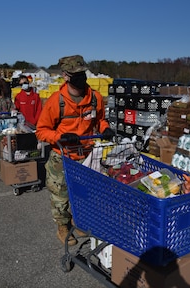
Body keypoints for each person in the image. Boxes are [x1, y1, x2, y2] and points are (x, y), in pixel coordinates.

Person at [35, 55, 114, 246]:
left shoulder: (94, 98)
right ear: (65, 76)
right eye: (75, 74)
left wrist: (105, 129)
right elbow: (41, 131)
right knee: (60, 196)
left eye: (82, 74)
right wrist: (59, 137)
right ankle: (62, 227)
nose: (80, 78)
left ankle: (78, 221)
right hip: (62, 157)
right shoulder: (56, 101)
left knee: (83, 194)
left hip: (86, 155)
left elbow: (100, 120)